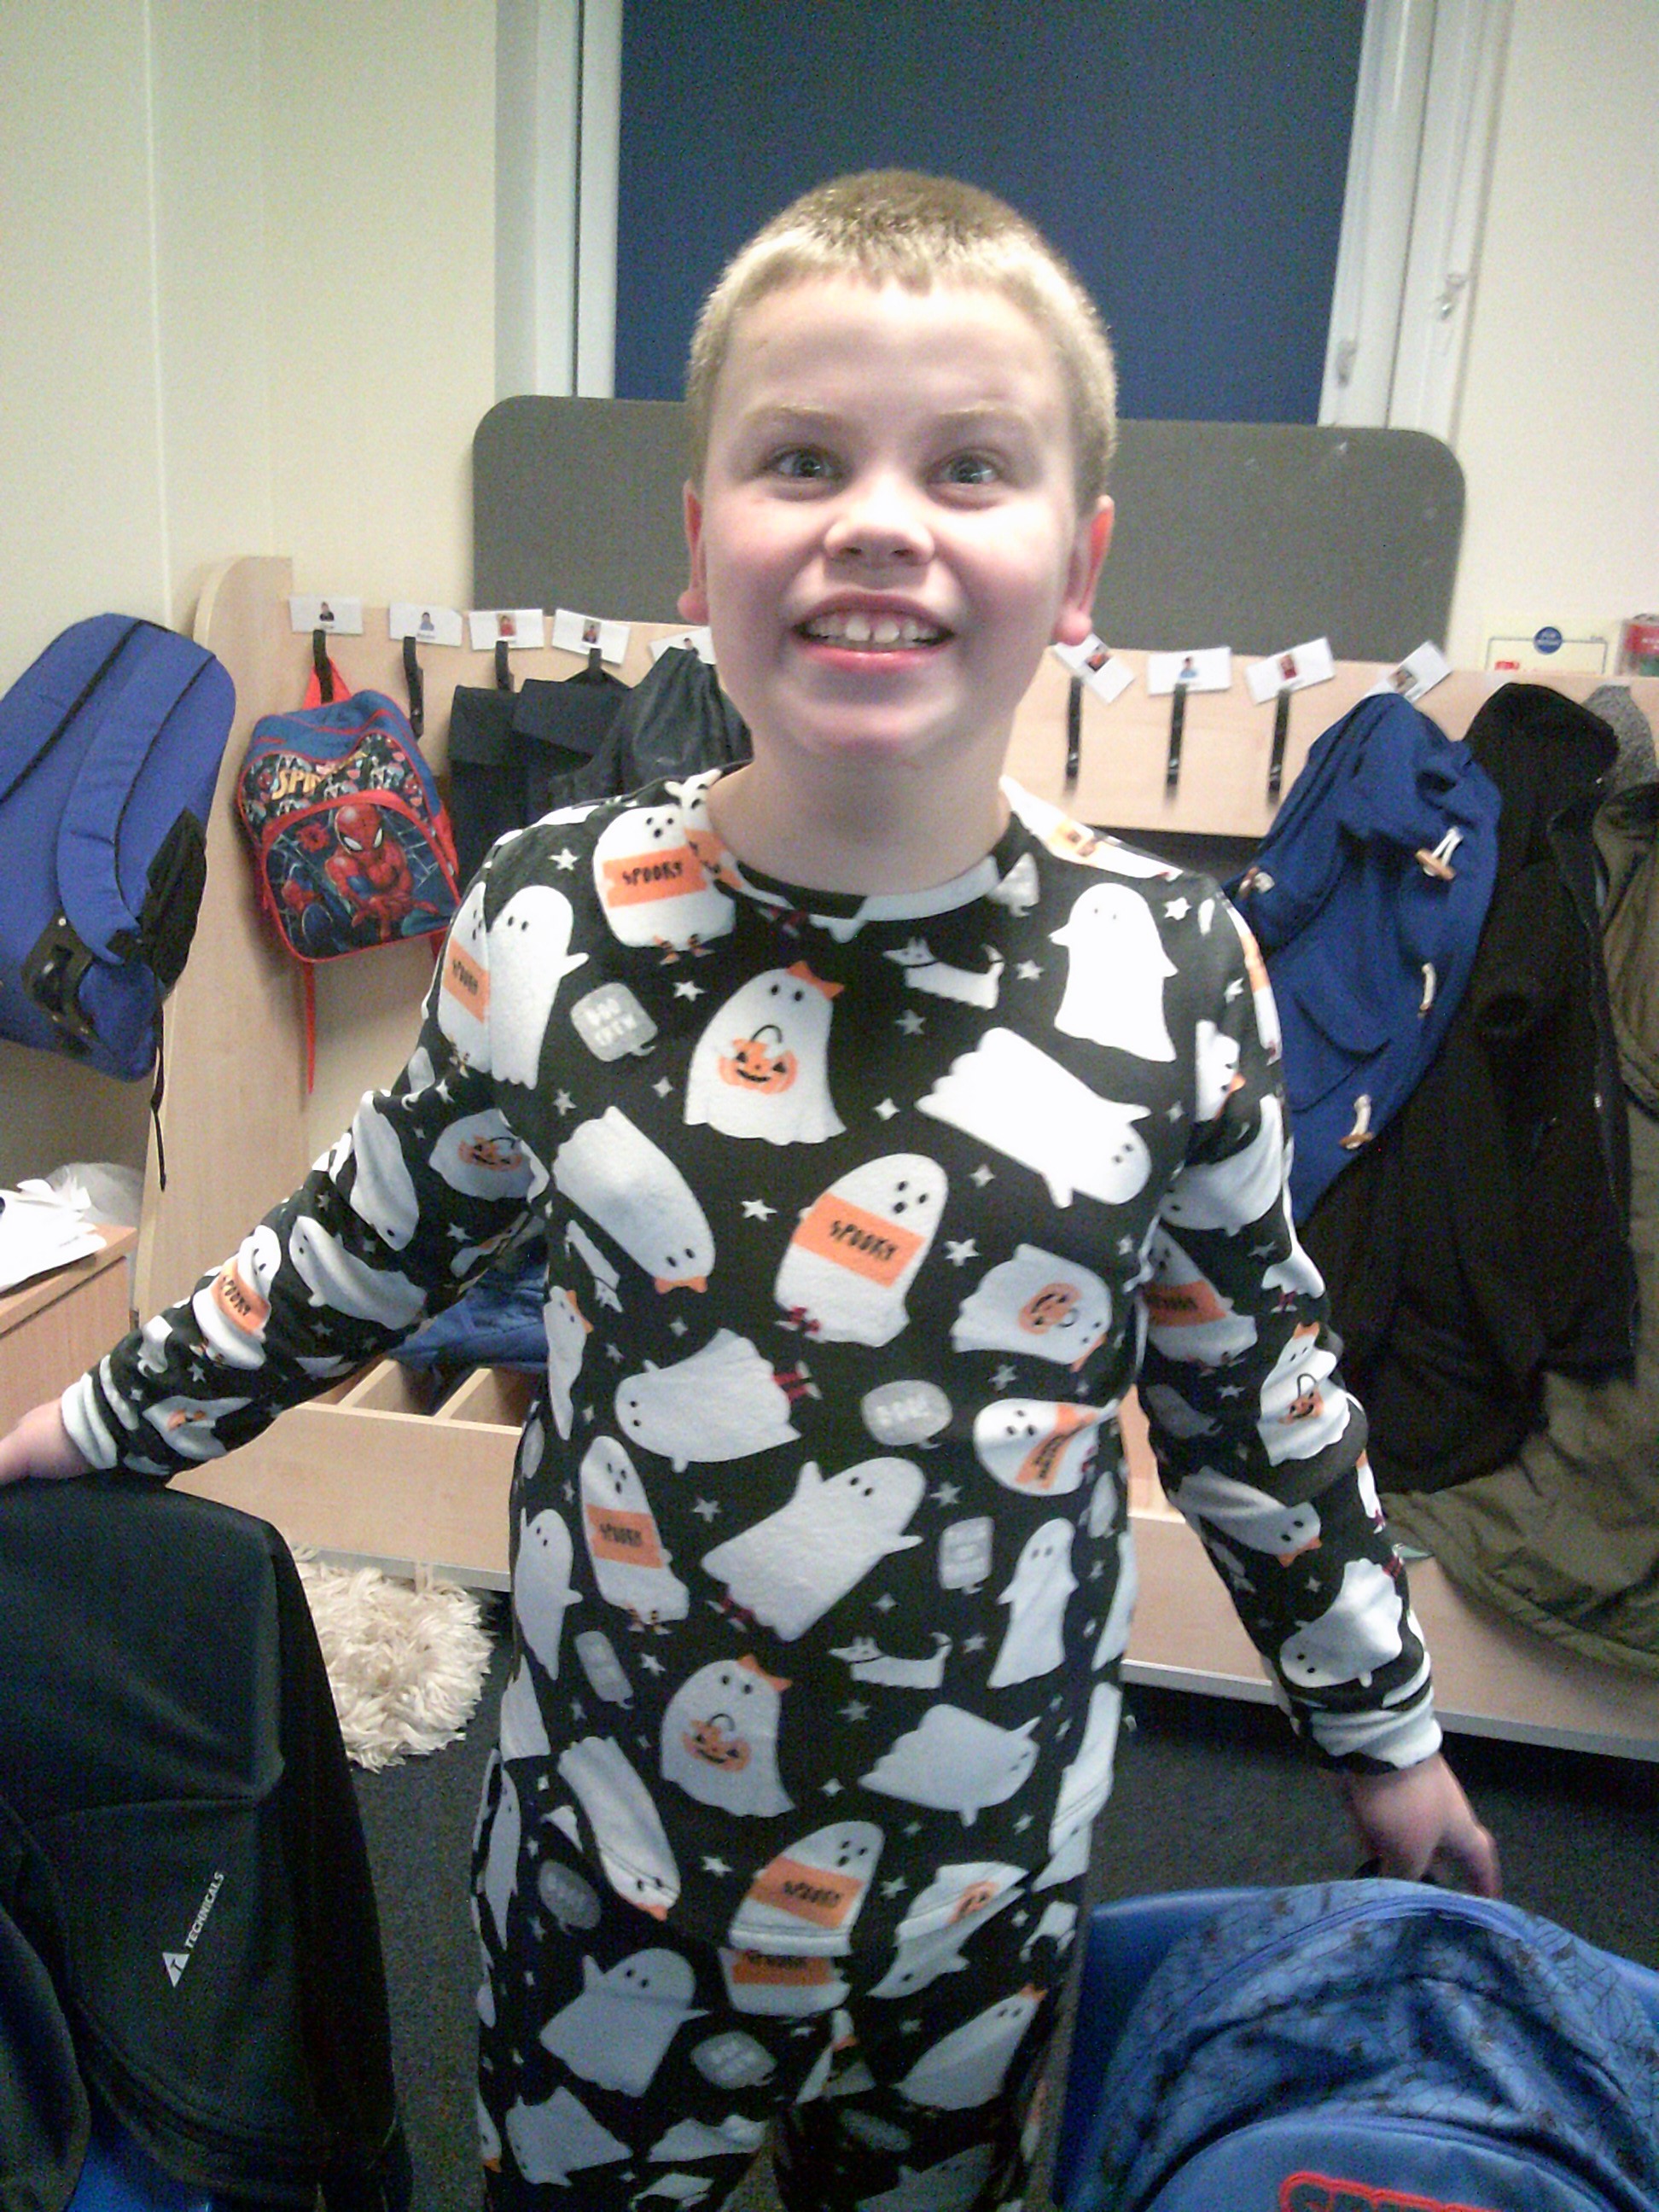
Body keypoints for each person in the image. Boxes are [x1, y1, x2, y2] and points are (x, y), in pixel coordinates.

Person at [0, 171, 1499, 2212]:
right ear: (701, 546)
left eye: (970, 466)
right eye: (804, 459)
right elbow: (361, 1246)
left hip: (977, 1898)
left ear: (1079, 566)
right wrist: (88, 1424)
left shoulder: (1170, 969)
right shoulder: (554, 923)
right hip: (612, 1883)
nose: (880, 518)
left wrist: (1382, 1731)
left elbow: (1258, 1395)